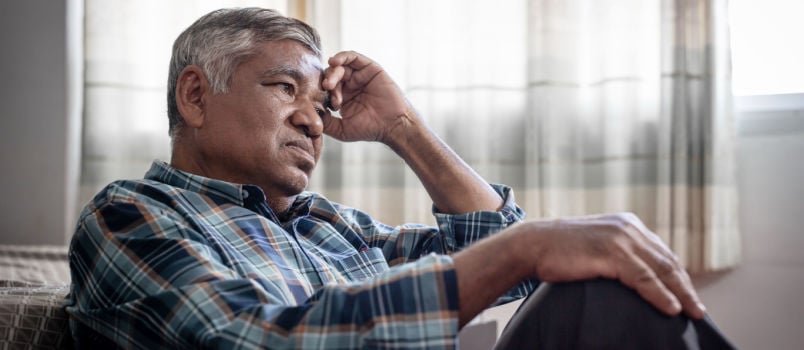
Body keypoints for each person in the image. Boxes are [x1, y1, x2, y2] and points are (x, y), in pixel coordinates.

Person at [66, 7, 734, 349]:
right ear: (194, 96)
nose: (315, 121)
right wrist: (526, 247)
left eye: (320, 102)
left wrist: (401, 125)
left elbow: (499, 249)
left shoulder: (328, 224)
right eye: (282, 89)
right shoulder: (132, 215)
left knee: (594, 287)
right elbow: (245, 341)